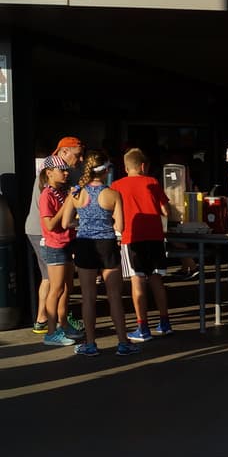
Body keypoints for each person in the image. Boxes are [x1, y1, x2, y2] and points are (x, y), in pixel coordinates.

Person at [67, 150, 136, 357]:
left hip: (85, 244)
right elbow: (121, 226)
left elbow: (67, 222)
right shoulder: (113, 194)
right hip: (106, 243)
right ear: (105, 170)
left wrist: (83, 223)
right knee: (114, 296)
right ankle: (123, 342)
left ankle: (90, 343)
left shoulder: (77, 193)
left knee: (88, 297)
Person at [113, 148, 175, 341]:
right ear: (143, 166)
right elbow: (166, 211)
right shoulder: (153, 182)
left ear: (125, 167)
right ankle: (164, 322)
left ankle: (142, 327)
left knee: (137, 280)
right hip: (155, 236)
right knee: (157, 278)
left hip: (131, 237)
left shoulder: (116, 185)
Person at [26, 137, 84, 335]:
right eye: (77, 154)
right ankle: (51, 322)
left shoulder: (60, 175)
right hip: (45, 234)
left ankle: (51, 320)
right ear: (63, 152)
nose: (80, 159)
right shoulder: (51, 178)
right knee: (53, 281)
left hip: (55, 235)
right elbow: (50, 218)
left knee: (55, 280)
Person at [38, 155, 84, 348]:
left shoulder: (61, 192)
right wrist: (66, 205)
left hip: (68, 243)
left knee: (66, 288)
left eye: (67, 170)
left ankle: (63, 324)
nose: (66, 173)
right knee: (56, 289)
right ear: (49, 173)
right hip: (55, 245)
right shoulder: (47, 195)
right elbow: (49, 224)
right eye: (62, 170)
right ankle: (50, 332)